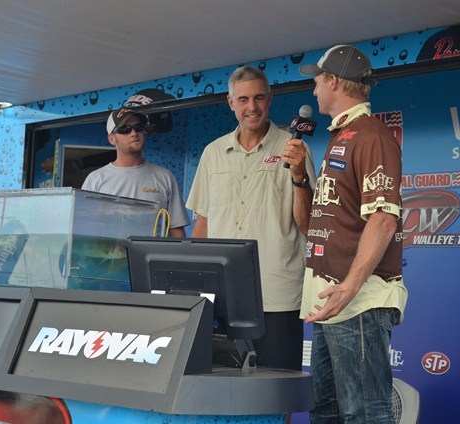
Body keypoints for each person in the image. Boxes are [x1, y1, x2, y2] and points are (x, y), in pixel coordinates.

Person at [283, 45, 408, 423]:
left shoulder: (371, 136)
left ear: (334, 81)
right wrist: (299, 177)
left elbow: (383, 220)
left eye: (317, 80)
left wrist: (349, 287)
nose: (314, 89)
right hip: (329, 300)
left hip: (357, 302)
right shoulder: (342, 136)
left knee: (365, 413)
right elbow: (310, 226)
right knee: (326, 411)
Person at [186, 66, 316, 371]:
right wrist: (195, 287)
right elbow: (202, 226)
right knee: (221, 385)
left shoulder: (295, 149)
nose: (252, 107)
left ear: (270, 100)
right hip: (222, 297)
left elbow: (309, 224)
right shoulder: (212, 153)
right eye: (243, 99)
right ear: (231, 103)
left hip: (277, 295)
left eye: (258, 98)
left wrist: (298, 175)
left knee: (277, 386)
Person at [82, 108, 190, 237]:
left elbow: (176, 230)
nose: (134, 133)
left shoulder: (165, 177)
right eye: (124, 129)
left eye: (138, 127)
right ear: (112, 139)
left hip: (152, 251)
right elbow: (83, 228)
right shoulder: (95, 179)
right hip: (109, 250)